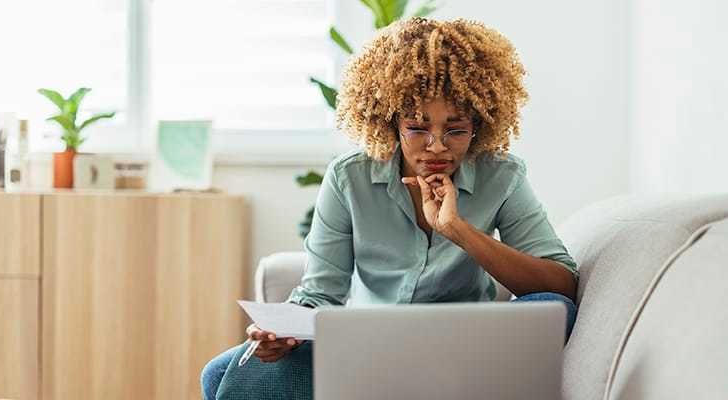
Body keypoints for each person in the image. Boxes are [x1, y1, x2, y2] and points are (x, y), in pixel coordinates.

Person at [201, 16, 578, 400]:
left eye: (456, 129)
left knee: (552, 307)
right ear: (391, 122)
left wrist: (457, 229)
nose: (436, 146)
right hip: (368, 346)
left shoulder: (502, 176)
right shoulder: (350, 178)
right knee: (219, 374)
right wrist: (283, 333)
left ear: (479, 125)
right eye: (417, 127)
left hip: (461, 347)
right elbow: (320, 294)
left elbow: (561, 285)